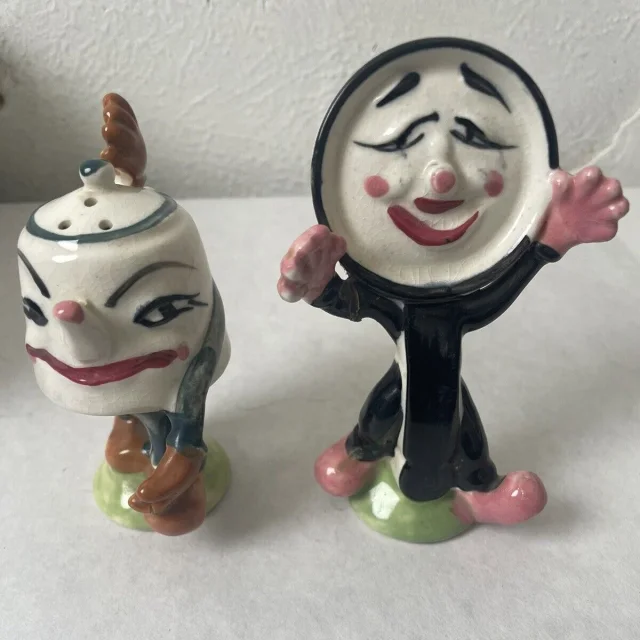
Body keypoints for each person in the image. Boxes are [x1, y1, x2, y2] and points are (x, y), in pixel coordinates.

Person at [278, 38, 629, 526]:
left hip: (442, 366)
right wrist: (323, 290)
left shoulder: (466, 291)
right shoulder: (386, 280)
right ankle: (366, 451)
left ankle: (473, 482)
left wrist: (548, 240)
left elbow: (495, 293)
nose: (441, 177)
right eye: (400, 143)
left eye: (477, 139)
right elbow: (360, 302)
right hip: (405, 348)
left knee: (445, 409)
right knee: (396, 401)